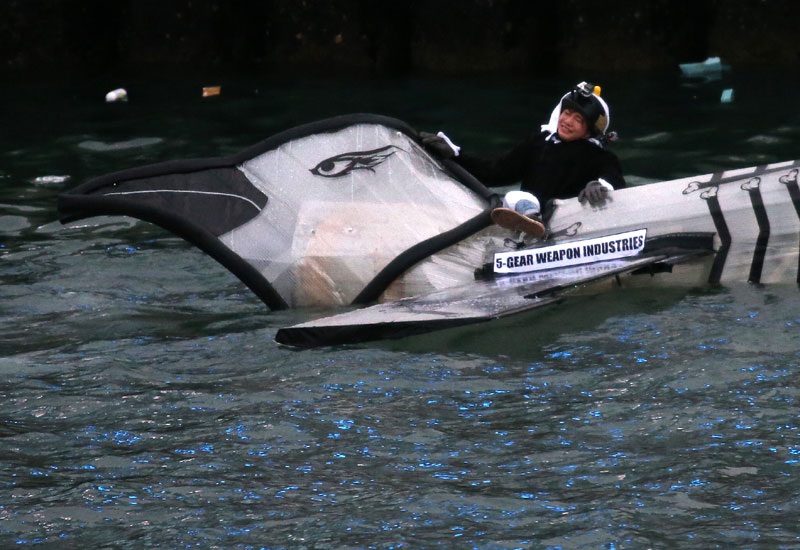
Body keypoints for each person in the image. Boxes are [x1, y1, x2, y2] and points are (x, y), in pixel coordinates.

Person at [421, 81, 625, 236]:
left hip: (572, 228)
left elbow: (615, 178)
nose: (568, 122)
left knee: (518, 199)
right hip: (528, 218)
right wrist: (456, 154)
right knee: (516, 198)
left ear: (589, 131)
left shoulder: (600, 157)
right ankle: (531, 224)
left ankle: (535, 227)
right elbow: (495, 171)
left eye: (578, 119)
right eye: (567, 113)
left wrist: (599, 184)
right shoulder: (538, 143)